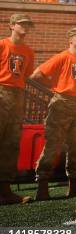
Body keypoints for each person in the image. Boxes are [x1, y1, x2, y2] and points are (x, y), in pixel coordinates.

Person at [31, 27, 76, 200]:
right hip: (61, 103)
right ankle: (42, 186)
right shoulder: (62, 57)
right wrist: (55, 87)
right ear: (70, 39)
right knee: (54, 144)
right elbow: (37, 75)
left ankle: (74, 185)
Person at [0, 14, 35, 205]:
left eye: (27, 25)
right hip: (1, 91)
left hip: (17, 95)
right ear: (12, 25)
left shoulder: (28, 51)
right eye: (22, 24)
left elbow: (26, 74)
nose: (25, 27)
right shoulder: (2, 45)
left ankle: (5, 191)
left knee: (11, 144)